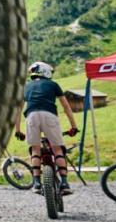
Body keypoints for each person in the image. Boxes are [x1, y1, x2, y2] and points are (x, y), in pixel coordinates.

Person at [14, 61, 78, 195]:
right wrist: (73, 126)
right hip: (49, 116)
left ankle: (37, 183)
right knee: (57, 148)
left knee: (35, 150)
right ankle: (65, 183)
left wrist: (18, 130)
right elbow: (66, 107)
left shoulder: (26, 87)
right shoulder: (53, 85)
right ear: (46, 71)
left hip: (31, 116)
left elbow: (18, 110)